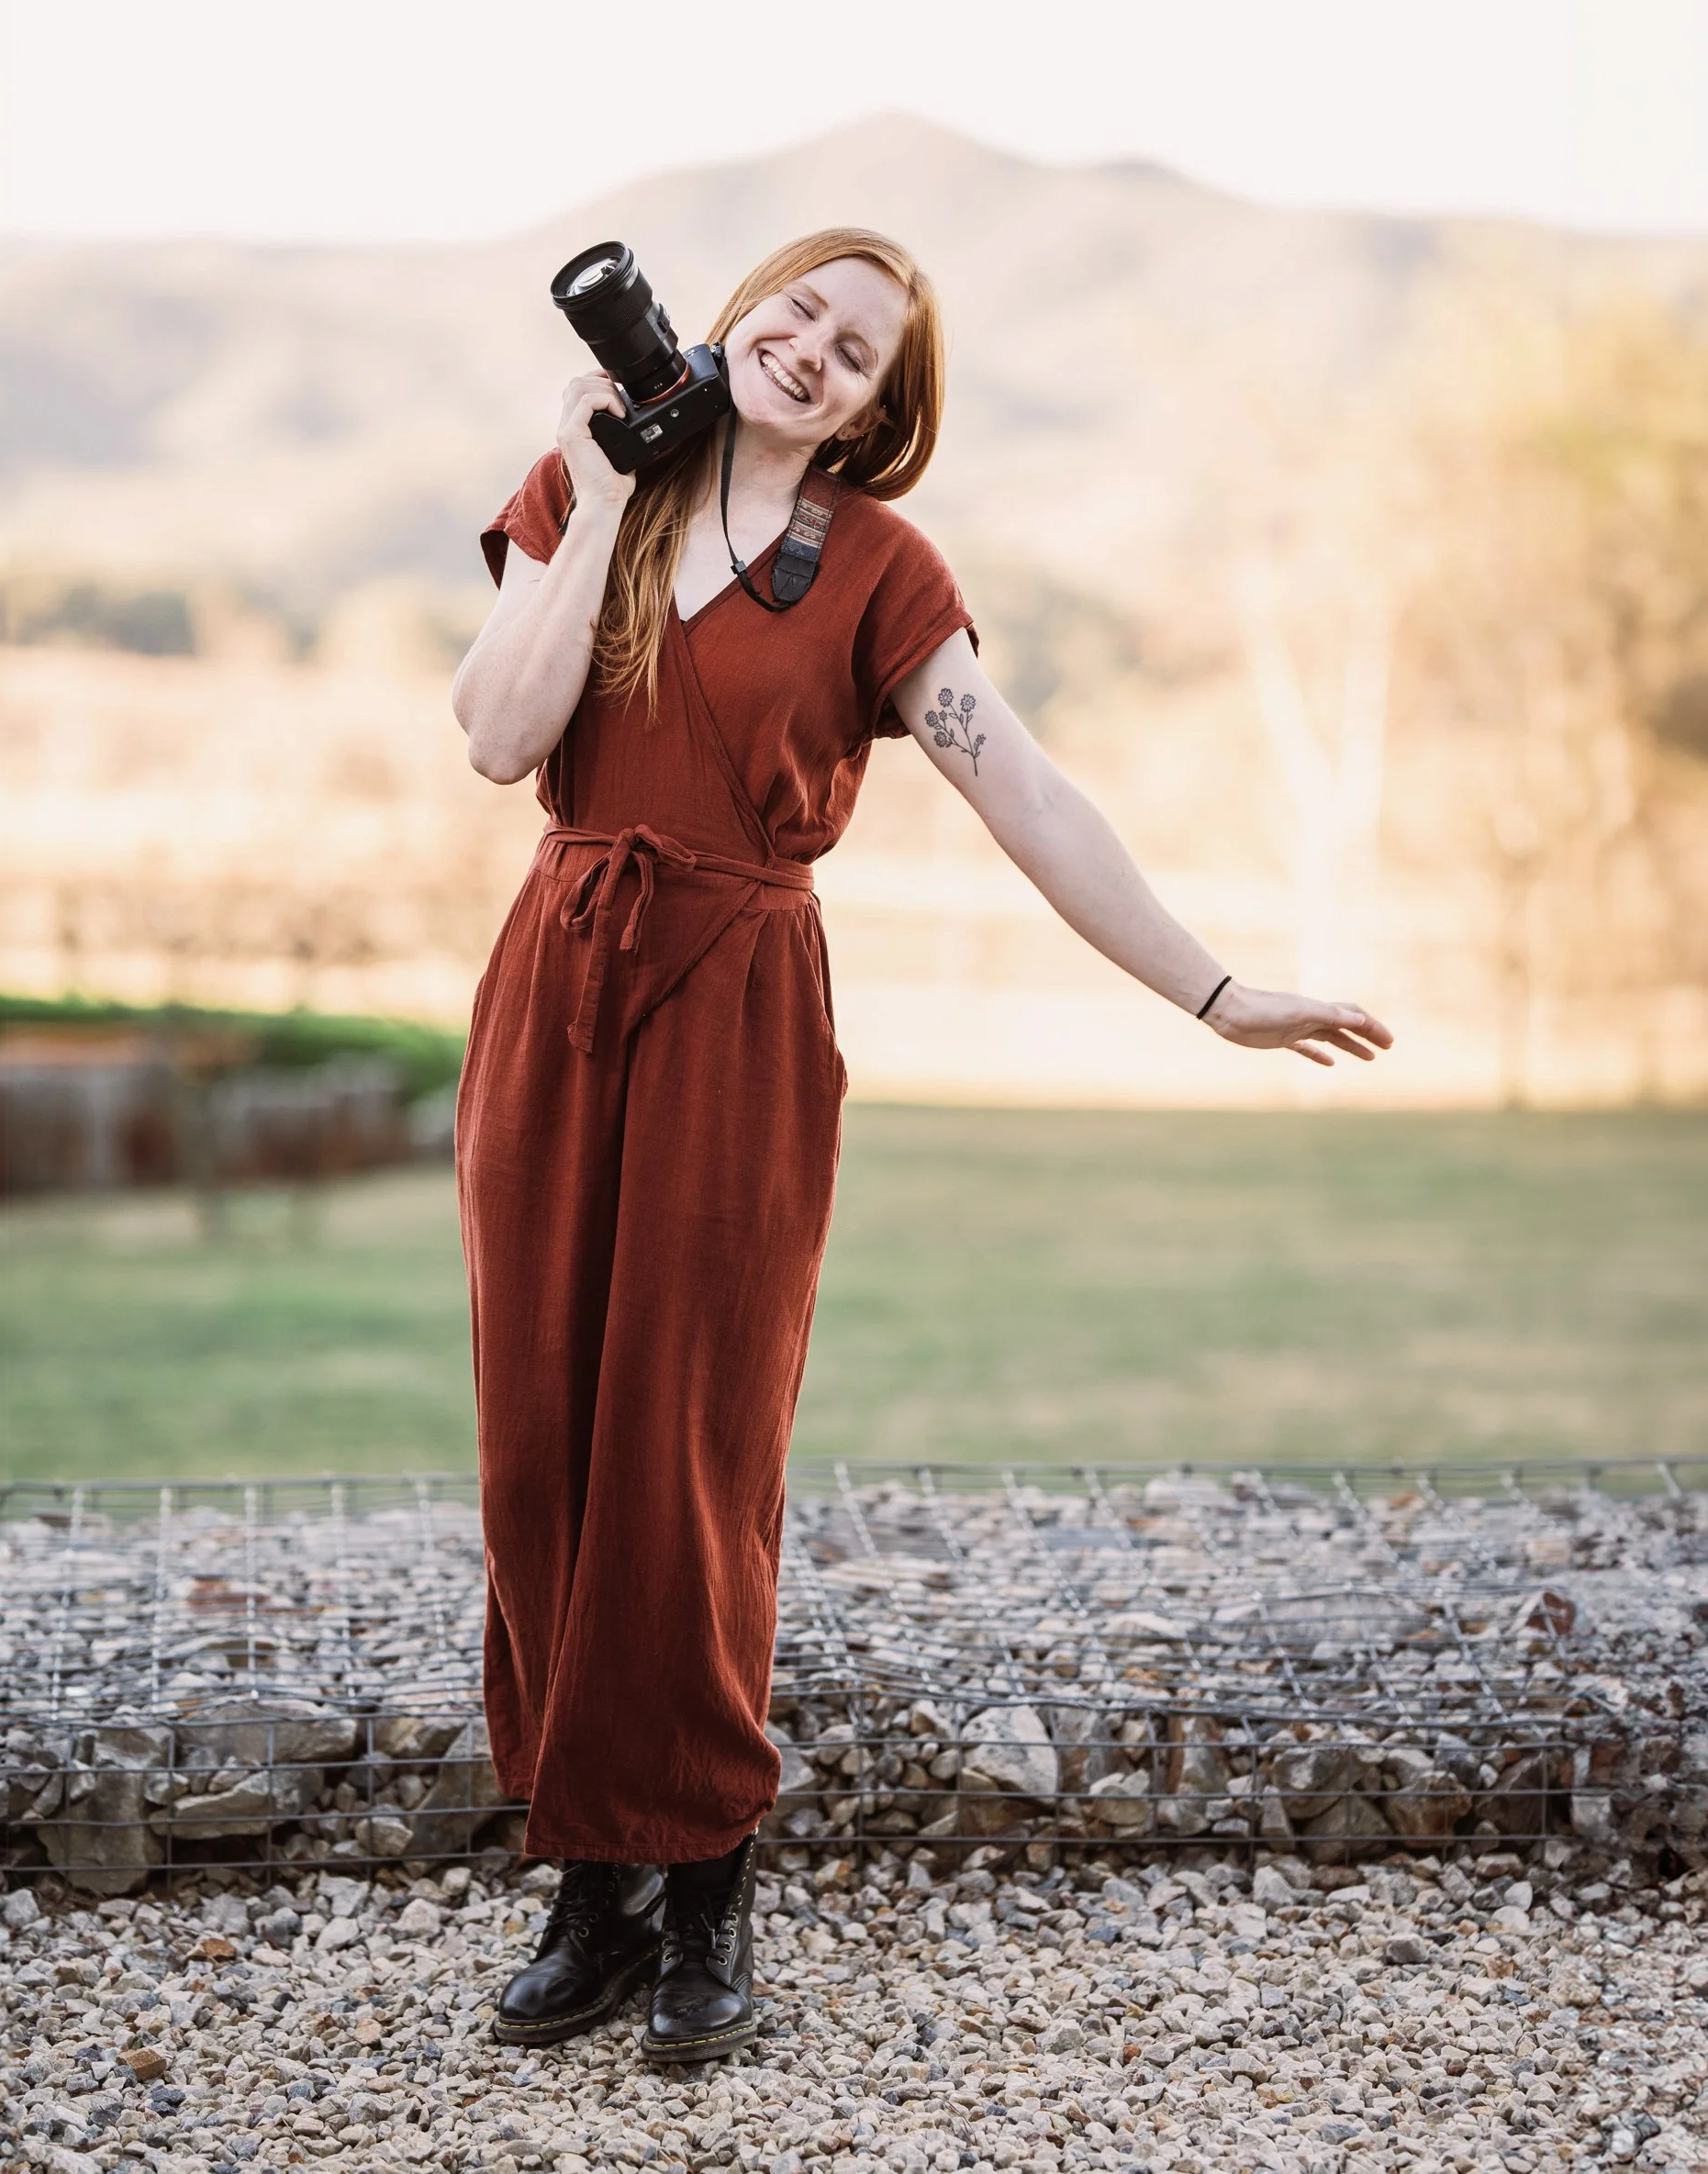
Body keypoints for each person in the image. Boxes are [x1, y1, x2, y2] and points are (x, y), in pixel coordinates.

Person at [449, 228, 1392, 2063]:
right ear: (730, 322)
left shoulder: (878, 568)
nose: (815, 349)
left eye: (858, 349)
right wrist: (589, 464)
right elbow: (498, 734)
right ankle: (595, 1877)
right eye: (794, 311)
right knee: (539, 1445)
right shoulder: (580, 490)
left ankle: (705, 1862)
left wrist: (1212, 990)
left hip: (734, 1000)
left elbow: (1024, 787)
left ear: (882, 410)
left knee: (694, 1452)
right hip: (553, 982)